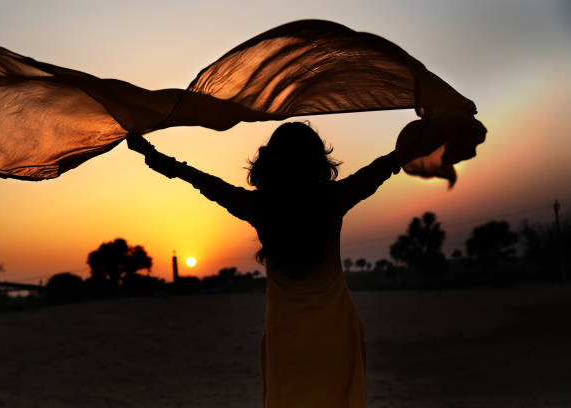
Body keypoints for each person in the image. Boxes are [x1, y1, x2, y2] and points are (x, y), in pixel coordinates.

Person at [127, 122, 433, 407]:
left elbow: (202, 181)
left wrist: (153, 156)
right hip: (336, 329)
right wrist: (434, 128)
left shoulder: (259, 206)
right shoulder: (332, 198)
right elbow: (386, 165)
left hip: (285, 334)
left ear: (269, 163)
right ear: (317, 162)